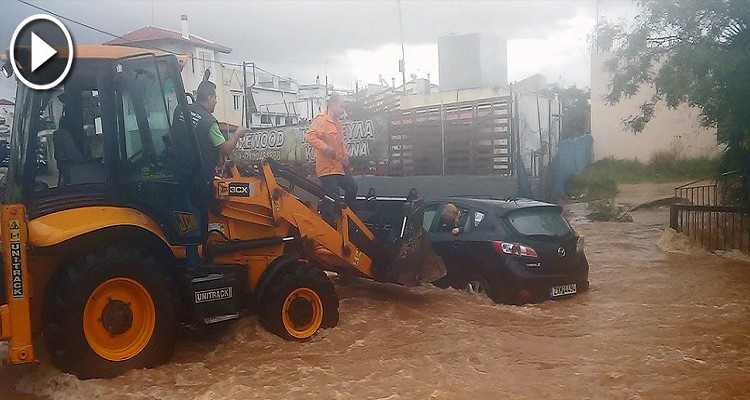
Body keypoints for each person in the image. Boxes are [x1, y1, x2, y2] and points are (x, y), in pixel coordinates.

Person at [183, 72, 246, 268]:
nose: (217, 101)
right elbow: (226, 149)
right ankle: (196, 265)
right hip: (199, 179)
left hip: (183, 173)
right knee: (199, 221)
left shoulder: (183, 111)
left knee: (187, 219)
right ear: (209, 97)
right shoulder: (208, 123)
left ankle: (191, 256)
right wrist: (237, 135)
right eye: (216, 98)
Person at [305, 92, 357, 226]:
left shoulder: (338, 123)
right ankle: (328, 225)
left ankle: (345, 217)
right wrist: (325, 148)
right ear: (333, 105)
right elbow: (309, 137)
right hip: (326, 169)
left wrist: (345, 155)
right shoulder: (320, 120)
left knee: (352, 187)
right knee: (333, 195)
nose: (343, 109)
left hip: (338, 167)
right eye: (341, 106)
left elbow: (341, 142)